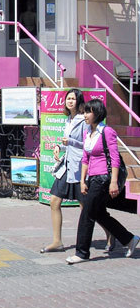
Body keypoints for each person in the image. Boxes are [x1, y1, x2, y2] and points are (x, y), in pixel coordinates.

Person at [66, 99, 139, 264]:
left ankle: (82, 253)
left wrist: (114, 182)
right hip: (91, 178)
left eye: (88, 112)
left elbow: (115, 159)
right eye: (84, 112)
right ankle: (129, 239)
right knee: (98, 214)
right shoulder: (88, 133)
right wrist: (83, 180)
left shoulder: (107, 132)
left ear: (97, 113)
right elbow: (85, 158)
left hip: (104, 179)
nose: (85, 115)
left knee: (87, 214)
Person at [41, 89, 90, 253]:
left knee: (87, 207)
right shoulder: (68, 119)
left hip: (80, 169)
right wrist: (58, 146)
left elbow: (88, 146)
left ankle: (109, 234)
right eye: (68, 98)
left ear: (79, 101)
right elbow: (67, 143)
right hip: (67, 167)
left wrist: (70, 142)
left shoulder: (84, 120)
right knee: (54, 201)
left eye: (73, 99)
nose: (70, 101)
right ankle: (57, 242)